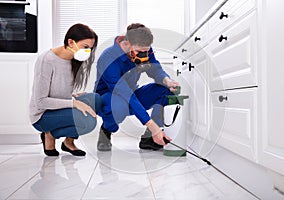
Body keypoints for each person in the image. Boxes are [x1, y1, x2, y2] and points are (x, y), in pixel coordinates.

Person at [94, 23, 179, 151]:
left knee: (165, 91)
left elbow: (155, 69)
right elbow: (124, 93)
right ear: (127, 43)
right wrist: (152, 126)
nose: (145, 55)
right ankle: (106, 129)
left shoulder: (144, 49)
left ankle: (149, 138)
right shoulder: (108, 58)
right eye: (140, 52)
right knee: (119, 104)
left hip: (132, 94)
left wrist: (167, 80)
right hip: (109, 99)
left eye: (147, 51)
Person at [29, 23, 101, 157]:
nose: (88, 52)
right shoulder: (47, 60)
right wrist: (74, 103)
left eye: (90, 48)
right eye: (85, 47)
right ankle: (49, 134)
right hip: (42, 115)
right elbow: (40, 101)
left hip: (60, 109)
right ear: (70, 42)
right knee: (89, 122)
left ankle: (68, 142)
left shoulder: (74, 60)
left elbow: (57, 88)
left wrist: (73, 96)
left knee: (95, 99)